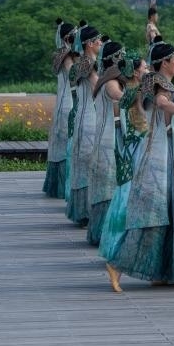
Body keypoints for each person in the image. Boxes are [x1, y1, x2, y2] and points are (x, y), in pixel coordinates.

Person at [104, 40, 174, 292]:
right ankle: (116, 264)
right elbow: (162, 103)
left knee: (165, 212)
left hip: (162, 153)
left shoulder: (151, 81)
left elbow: (160, 115)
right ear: (164, 62)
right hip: (160, 157)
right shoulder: (157, 82)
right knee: (155, 213)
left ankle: (160, 270)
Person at [99, 55, 149, 276]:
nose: (147, 69)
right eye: (144, 67)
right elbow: (142, 124)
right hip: (135, 151)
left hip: (132, 149)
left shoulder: (132, 91)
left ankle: (120, 252)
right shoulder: (133, 93)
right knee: (128, 198)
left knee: (126, 197)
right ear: (135, 72)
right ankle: (119, 253)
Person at [87, 40, 128, 246]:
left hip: (108, 136)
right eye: (123, 55)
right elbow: (118, 96)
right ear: (116, 58)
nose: (126, 58)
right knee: (108, 185)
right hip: (107, 139)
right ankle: (106, 233)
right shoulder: (111, 80)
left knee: (111, 183)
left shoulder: (110, 77)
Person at [67, 24, 102, 226]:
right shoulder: (89, 64)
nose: (100, 43)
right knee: (90, 163)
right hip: (89, 119)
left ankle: (83, 210)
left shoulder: (81, 62)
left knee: (84, 163)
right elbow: (99, 87)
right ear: (89, 44)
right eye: (98, 40)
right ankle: (88, 211)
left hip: (83, 116)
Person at [44, 18, 76, 198]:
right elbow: (73, 74)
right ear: (67, 38)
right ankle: (64, 186)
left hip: (63, 101)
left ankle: (59, 185)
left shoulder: (63, 53)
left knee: (62, 142)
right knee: (66, 143)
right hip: (68, 102)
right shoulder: (67, 55)